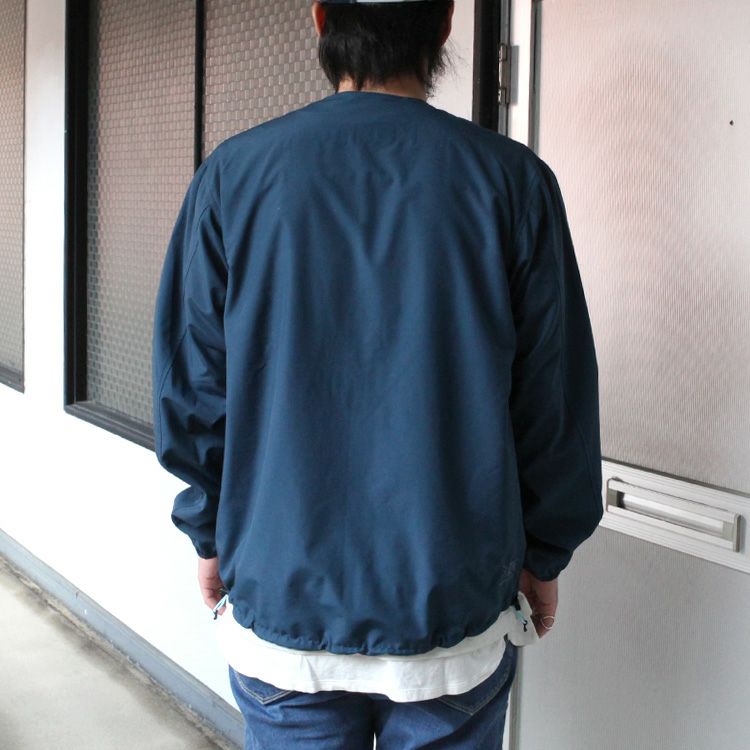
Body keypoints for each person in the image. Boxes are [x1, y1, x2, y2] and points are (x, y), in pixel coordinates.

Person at [151, 0, 603, 747]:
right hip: (451, 618)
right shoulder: (514, 183)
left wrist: (207, 531)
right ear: (445, 25)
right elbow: (552, 401)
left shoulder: (232, 177)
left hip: (282, 612)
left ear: (320, 20)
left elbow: (193, 386)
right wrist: (546, 552)